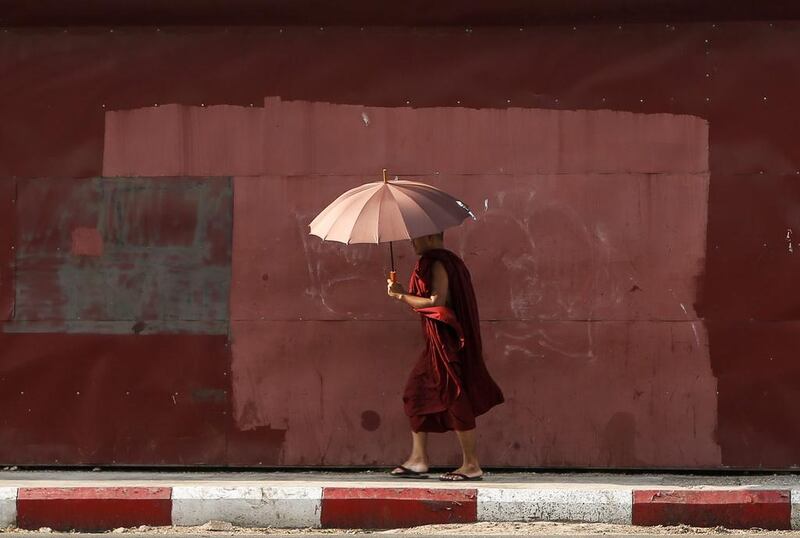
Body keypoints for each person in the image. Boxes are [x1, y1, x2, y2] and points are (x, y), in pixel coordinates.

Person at [386, 231, 504, 481]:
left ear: (429, 237)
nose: (412, 242)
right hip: (434, 341)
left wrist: (399, 295)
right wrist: (403, 293)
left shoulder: (437, 262)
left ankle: (471, 465)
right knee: (416, 392)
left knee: (453, 394)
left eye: (415, 237)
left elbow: (436, 301)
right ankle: (418, 460)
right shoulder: (447, 261)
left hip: (444, 339)